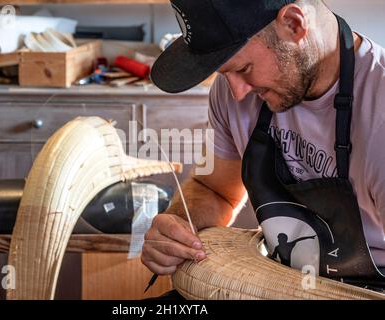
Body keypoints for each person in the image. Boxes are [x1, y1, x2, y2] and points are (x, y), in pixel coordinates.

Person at [142, 0, 385, 291]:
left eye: (244, 68)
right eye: (223, 72)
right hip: (278, 278)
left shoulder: (378, 107)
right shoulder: (233, 91)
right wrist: (178, 226)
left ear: (294, 24)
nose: (236, 91)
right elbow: (215, 190)